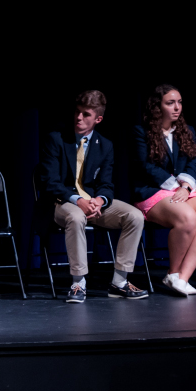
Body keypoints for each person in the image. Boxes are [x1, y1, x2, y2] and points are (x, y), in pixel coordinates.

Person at [38, 89, 149, 303]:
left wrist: (99, 200)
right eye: (77, 112)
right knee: (76, 216)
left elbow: (106, 184)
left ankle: (119, 282)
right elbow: (50, 182)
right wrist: (77, 200)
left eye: (86, 114)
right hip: (62, 202)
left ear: (98, 119)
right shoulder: (57, 139)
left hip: (91, 203)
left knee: (134, 216)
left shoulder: (105, 145)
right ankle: (78, 283)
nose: (79, 117)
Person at [132, 84, 196, 296]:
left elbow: (193, 163)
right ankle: (172, 272)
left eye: (179, 102)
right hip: (152, 191)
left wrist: (187, 186)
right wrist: (176, 186)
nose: (177, 107)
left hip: (183, 189)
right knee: (187, 217)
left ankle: (182, 277)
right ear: (157, 106)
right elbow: (146, 166)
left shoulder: (187, 131)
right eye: (170, 103)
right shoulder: (141, 132)